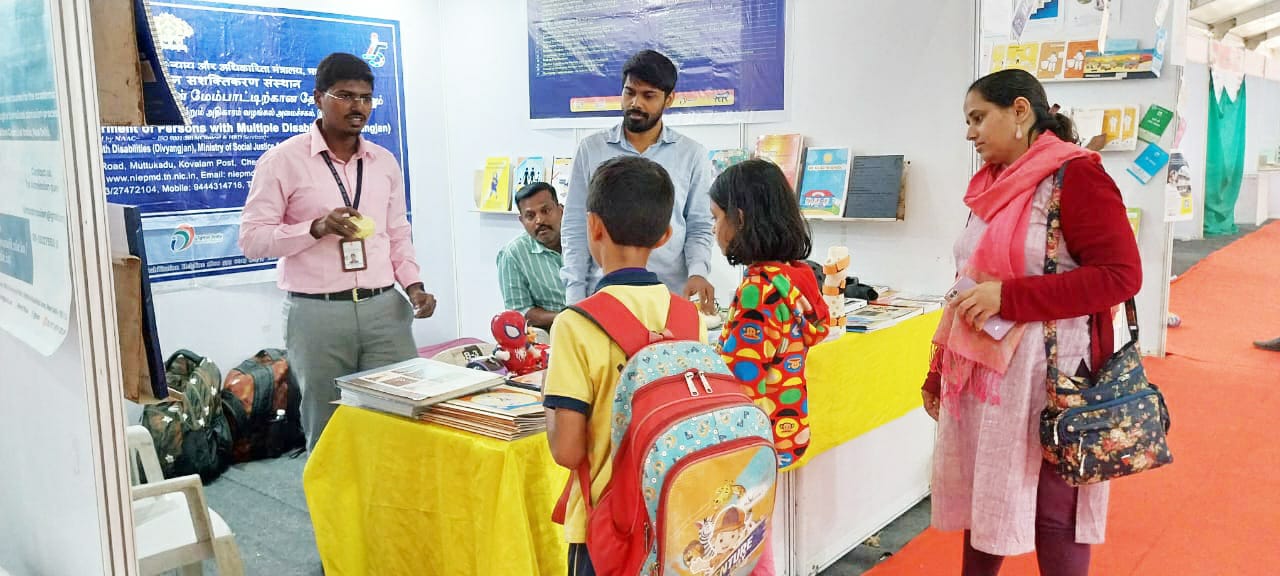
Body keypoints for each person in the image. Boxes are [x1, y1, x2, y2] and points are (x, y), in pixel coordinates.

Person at [921, 69, 1142, 576]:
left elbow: (1121, 276)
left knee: (1056, 511)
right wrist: (940, 369)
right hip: (988, 373)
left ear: (1020, 111)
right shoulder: (991, 185)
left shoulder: (1077, 175)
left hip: (1054, 375)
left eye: (978, 118)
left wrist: (1011, 296)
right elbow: (967, 279)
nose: (969, 133)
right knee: (985, 496)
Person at [239, 52, 437, 452]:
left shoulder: (383, 162)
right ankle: (333, 516)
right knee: (329, 427)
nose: (357, 107)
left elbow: (397, 232)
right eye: (345, 96)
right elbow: (252, 240)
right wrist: (316, 228)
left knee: (405, 420)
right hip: (317, 313)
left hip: (385, 308)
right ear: (318, 98)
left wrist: (413, 285)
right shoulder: (283, 161)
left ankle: (399, 513)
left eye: (365, 98)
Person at [543, 156, 705, 576]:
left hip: (606, 527)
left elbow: (567, 450)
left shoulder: (574, 324)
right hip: (677, 514)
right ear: (667, 235)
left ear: (593, 225)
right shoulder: (690, 318)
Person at [712, 159, 831, 575]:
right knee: (755, 535)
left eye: (716, 218)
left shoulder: (758, 289)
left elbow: (740, 375)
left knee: (741, 542)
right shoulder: (795, 278)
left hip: (748, 438)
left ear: (739, 219)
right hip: (781, 429)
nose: (714, 230)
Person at [560, 49, 718, 314]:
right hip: (603, 296)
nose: (636, 103)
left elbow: (700, 225)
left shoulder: (692, 154)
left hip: (668, 298)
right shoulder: (591, 149)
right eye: (629, 92)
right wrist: (574, 295)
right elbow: (576, 226)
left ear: (669, 99)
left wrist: (698, 272)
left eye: (648, 96)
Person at [496, 181, 566, 331]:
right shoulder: (512, 255)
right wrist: (567, 317)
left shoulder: (583, 241)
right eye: (530, 216)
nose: (539, 220)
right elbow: (520, 311)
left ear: (560, 211)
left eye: (546, 211)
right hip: (549, 340)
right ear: (522, 221)